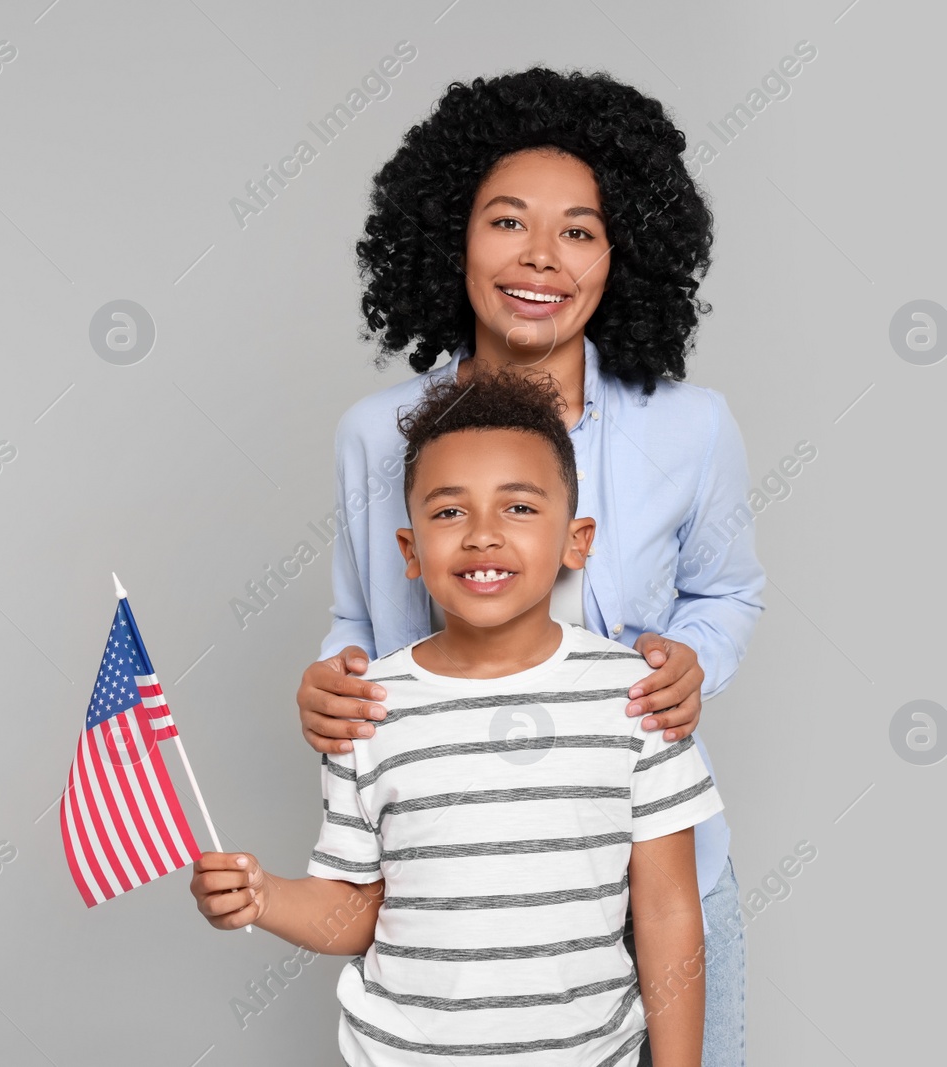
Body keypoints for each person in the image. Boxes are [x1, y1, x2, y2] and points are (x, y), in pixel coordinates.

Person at [294, 68, 763, 1064]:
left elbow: (727, 590)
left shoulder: (692, 426)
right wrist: (330, 682)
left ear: (622, 253)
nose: (541, 256)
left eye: (580, 230)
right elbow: (358, 618)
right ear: (450, 237)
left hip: (653, 861)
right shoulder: (373, 437)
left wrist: (690, 659)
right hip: (456, 880)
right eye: (507, 222)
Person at [192, 368, 723, 1066]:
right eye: (448, 512)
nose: (481, 535)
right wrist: (264, 896)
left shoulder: (635, 697)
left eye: (520, 508)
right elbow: (359, 908)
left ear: (577, 540)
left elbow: (665, 912)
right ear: (411, 551)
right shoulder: (369, 707)